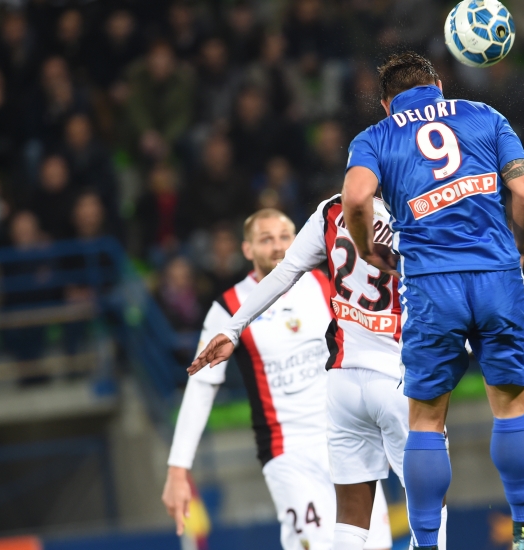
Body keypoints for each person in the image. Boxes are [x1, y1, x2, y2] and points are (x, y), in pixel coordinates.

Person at [341, 52, 524, 550]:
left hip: (432, 286)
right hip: (497, 276)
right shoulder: (485, 116)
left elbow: (357, 197)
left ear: (388, 104)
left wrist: (367, 247)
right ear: (437, 83)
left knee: (427, 420)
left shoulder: (376, 137)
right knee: (512, 406)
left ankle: (427, 545)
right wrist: (517, 247)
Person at [187, 196, 448, 550]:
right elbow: (445, 286)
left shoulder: (331, 210)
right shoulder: (416, 210)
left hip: (343, 385)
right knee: (428, 495)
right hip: (395, 375)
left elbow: (284, 271)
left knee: (352, 518)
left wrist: (233, 330)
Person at [163, 209, 392, 550]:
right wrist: (177, 469)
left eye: (285, 237)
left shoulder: (324, 283)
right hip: (287, 452)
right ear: (247, 250)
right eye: (266, 239)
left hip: (346, 436)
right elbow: (200, 389)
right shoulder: (228, 309)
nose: (278, 247)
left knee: (375, 545)